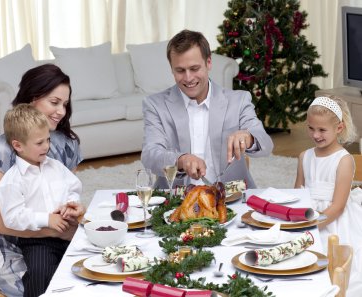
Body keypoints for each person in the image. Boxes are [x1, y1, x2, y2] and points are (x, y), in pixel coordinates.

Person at [0, 64, 83, 297]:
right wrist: (54, 230)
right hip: (16, 245)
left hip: (59, 234)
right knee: (50, 285)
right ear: (32, 99)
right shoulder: (3, 148)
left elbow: (69, 191)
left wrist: (74, 211)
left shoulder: (68, 143)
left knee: (92, 274)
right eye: (54, 102)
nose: (61, 111)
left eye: (65, 104)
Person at [141, 29, 273, 188]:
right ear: (171, 69)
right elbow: (150, 155)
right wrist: (181, 160)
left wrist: (249, 137)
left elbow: (266, 144)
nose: (188, 78)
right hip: (176, 200)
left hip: (233, 198)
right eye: (180, 70)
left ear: (208, 62)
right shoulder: (155, 105)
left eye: (194, 68)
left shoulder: (238, 100)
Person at [294, 95, 362, 296]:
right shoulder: (304, 157)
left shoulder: (344, 160)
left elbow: (338, 206)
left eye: (322, 130)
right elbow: (298, 192)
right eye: (311, 128)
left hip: (333, 221)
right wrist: (297, 222)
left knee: (330, 260)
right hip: (306, 216)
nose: (315, 135)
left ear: (339, 128)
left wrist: (313, 226)